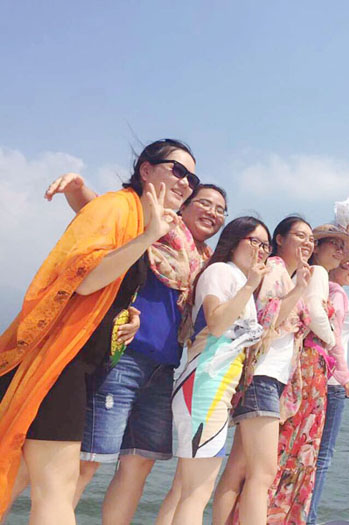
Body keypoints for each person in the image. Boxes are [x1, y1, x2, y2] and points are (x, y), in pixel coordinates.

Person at [0, 138, 190, 523]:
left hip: (74, 364)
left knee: (38, 480)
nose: (186, 182)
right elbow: (83, 279)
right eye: (179, 170)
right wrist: (148, 237)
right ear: (146, 170)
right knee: (56, 487)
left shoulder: (137, 220)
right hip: (57, 363)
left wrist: (128, 313)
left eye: (193, 178)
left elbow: (108, 286)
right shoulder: (119, 210)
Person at [39, 146, 226, 524]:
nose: (213, 212)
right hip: (123, 356)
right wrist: (77, 190)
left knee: (139, 464)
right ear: (185, 206)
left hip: (164, 369)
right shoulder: (155, 224)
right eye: (204, 202)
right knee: (89, 460)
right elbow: (101, 213)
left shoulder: (205, 263)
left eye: (221, 209)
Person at [157, 216, 271, 525]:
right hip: (205, 386)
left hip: (212, 387)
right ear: (233, 242)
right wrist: (250, 285)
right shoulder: (221, 272)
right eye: (254, 241)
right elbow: (217, 323)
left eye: (266, 245)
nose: (261, 250)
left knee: (184, 489)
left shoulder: (237, 279)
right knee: (197, 492)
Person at [215, 216, 313, 525]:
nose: (308, 243)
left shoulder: (287, 275)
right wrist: (300, 290)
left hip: (269, 378)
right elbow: (265, 319)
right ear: (279, 239)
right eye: (300, 235)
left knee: (238, 468)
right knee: (263, 473)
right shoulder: (273, 268)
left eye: (311, 238)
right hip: (263, 376)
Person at [267, 224, 349, 524]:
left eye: (342, 247)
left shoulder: (310, 275)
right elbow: (314, 312)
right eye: (333, 245)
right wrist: (332, 340)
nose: (339, 252)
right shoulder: (320, 274)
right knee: (306, 447)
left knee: (295, 445)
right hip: (315, 365)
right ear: (318, 247)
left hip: (309, 363)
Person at [307, 254, 349, 525]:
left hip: (319, 378)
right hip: (332, 382)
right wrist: (346, 377)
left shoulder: (325, 289)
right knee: (322, 456)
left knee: (309, 453)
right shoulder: (336, 292)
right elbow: (334, 338)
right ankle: (308, 519)